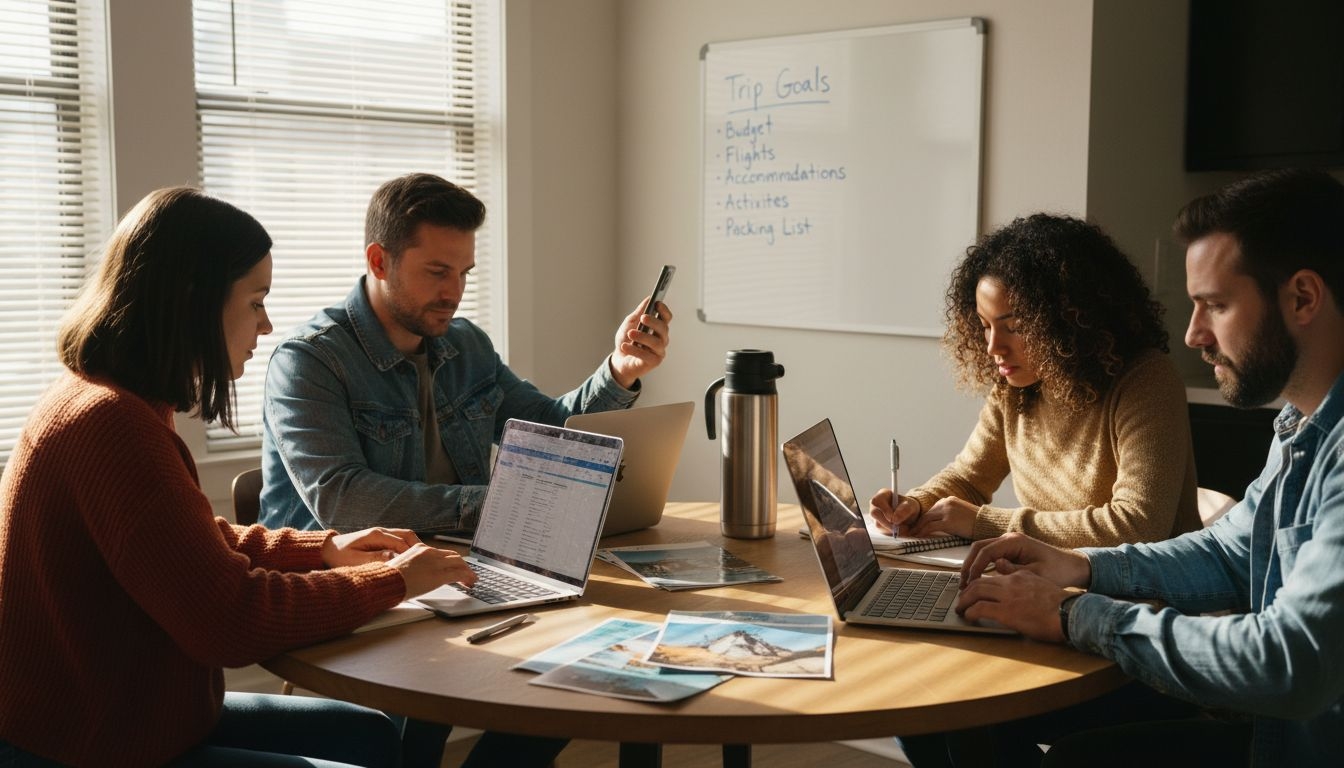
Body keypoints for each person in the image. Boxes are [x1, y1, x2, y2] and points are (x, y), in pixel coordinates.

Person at [0, 187, 479, 767]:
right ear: (194, 301)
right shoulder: (111, 426)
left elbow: (186, 545)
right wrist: (395, 582)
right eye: (255, 301)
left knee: (371, 738)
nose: (266, 322)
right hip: (94, 743)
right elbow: (229, 619)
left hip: (140, 716)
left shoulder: (113, 398)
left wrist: (324, 548)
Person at [955, 168, 1344, 767]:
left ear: (1302, 298)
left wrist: (1069, 611)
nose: (1192, 335)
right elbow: (1229, 554)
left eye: (1215, 305)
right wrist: (1080, 567)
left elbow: (1287, 664)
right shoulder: (1298, 427)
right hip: (1277, 736)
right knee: (968, 715)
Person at [259, 173, 672, 535]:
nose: (454, 293)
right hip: (338, 589)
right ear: (379, 261)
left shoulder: (466, 345)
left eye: (464, 273)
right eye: (438, 273)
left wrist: (619, 370)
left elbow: (551, 431)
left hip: (456, 566)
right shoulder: (308, 362)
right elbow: (343, 500)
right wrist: (499, 504)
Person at [870, 214, 1201, 548]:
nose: (993, 347)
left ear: (1069, 320)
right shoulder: (1014, 390)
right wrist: (915, 504)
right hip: (1054, 581)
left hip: (1144, 593)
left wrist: (986, 524)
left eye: (1013, 327)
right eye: (985, 325)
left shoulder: (1146, 381)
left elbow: (1138, 525)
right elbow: (968, 479)